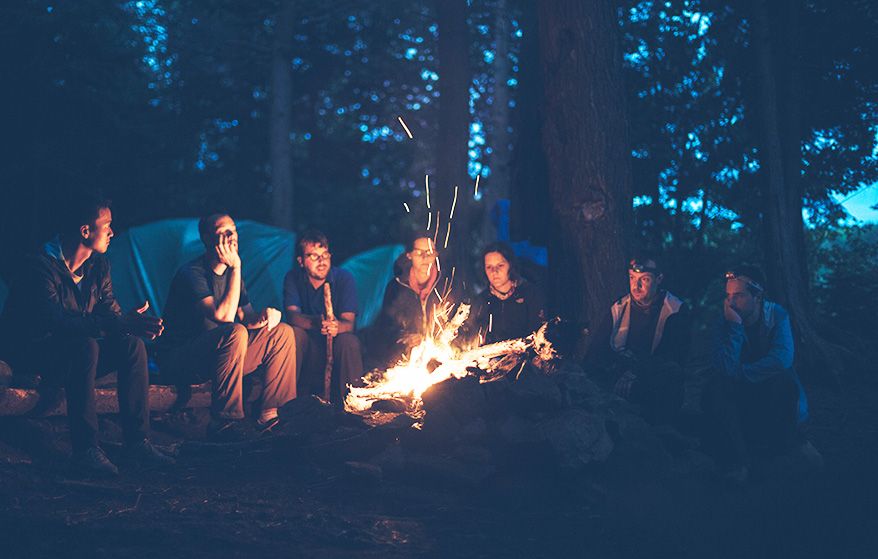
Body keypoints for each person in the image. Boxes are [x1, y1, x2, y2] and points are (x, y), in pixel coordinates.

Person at [0, 195, 173, 476]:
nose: (112, 232)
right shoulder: (39, 267)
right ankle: (86, 450)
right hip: (34, 356)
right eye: (107, 226)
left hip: (75, 354)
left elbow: (109, 312)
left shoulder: (97, 266)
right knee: (86, 346)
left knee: (130, 345)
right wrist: (115, 323)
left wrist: (130, 324)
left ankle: (137, 442)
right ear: (85, 231)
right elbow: (56, 322)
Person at [158, 213, 297, 439]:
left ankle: (271, 415)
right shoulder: (192, 273)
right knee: (235, 331)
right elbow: (223, 316)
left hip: (222, 359)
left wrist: (265, 316)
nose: (232, 237)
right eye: (223, 232)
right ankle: (226, 420)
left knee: (282, 333)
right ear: (207, 239)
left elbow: (246, 316)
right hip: (182, 359)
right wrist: (236, 267)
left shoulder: (233, 277)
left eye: (233, 230)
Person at [703, 264, 809, 481]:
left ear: (757, 296)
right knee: (714, 388)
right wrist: (735, 328)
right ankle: (737, 462)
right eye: (728, 296)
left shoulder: (776, 315)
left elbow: (782, 359)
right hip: (737, 396)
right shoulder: (724, 322)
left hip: (766, 390)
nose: (731, 302)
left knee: (784, 380)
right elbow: (723, 368)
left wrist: (743, 373)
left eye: (739, 295)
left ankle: (782, 448)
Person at [585, 252, 690, 424]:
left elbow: (675, 357)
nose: (636, 286)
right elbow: (596, 350)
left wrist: (636, 371)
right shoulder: (619, 308)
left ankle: (659, 432)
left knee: (670, 375)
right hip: (619, 376)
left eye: (645, 279)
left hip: (653, 380)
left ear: (659, 279)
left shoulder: (675, 311)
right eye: (632, 278)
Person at [283, 229, 363, 404]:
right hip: (309, 345)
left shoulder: (343, 279)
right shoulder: (293, 278)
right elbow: (292, 316)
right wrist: (316, 323)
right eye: (313, 256)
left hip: (336, 344)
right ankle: (288, 403)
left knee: (349, 341)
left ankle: (354, 403)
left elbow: (349, 323)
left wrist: (336, 327)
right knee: (293, 334)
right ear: (301, 261)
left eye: (325, 255)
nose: (321, 261)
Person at [369, 234, 458, 367]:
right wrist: (405, 337)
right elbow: (386, 327)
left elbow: (458, 321)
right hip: (406, 355)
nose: (425, 257)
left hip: (441, 353)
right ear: (409, 255)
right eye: (419, 252)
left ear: (436, 255)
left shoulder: (447, 285)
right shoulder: (396, 287)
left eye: (429, 252)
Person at [465, 242, 546, 345]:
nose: (494, 271)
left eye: (500, 265)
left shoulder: (530, 294)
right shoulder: (481, 301)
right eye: (489, 267)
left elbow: (539, 332)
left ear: (510, 265)